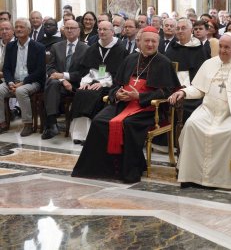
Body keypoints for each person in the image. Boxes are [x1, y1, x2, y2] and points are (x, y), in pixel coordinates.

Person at [72, 26, 180, 183]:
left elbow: (169, 91)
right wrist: (117, 94)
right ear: (140, 42)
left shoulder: (164, 62)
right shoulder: (130, 59)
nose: (150, 44)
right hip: (123, 104)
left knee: (128, 124)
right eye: (147, 41)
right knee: (99, 121)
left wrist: (140, 96)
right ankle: (103, 169)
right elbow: (116, 84)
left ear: (158, 43)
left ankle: (129, 170)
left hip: (147, 108)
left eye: (154, 41)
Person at [168, 32, 231, 189]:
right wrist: (184, 92)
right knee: (191, 125)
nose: (222, 50)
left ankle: (226, 181)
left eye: (227, 47)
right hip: (208, 110)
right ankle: (191, 176)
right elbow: (199, 89)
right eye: (220, 47)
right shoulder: (209, 63)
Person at [69, 21, 128, 144]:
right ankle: (79, 134)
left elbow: (120, 74)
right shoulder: (93, 48)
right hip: (92, 80)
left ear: (112, 32)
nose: (101, 32)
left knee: (94, 93)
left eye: (105, 29)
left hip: (110, 84)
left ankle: (91, 135)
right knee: (81, 92)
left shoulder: (121, 49)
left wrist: (103, 83)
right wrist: (85, 81)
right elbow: (85, 69)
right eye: (100, 29)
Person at [41, 20, 89, 139]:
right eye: (67, 28)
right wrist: (63, 80)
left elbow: (84, 73)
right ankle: (52, 123)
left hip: (76, 85)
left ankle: (51, 123)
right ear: (63, 30)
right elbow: (50, 68)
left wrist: (64, 76)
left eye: (72, 28)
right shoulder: (56, 47)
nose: (69, 30)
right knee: (52, 83)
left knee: (51, 84)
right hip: (58, 83)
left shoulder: (86, 49)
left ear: (79, 30)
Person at [0, 18, 46, 136]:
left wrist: (23, 82)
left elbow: (40, 71)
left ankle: (28, 124)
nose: (18, 29)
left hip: (32, 81)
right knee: (0, 89)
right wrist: (10, 82)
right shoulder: (10, 46)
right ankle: (2, 122)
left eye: (21, 27)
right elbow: (6, 68)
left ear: (29, 30)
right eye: (16, 27)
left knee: (20, 91)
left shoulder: (38, 47)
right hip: (13, 81)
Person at [165, 18, 209, 120]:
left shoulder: (199, 49)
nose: (180, 31)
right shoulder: (172, 48)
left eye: (183, 28)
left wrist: (185, 89)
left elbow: (202, 76)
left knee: (185, 108)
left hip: (192, 91)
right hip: (171, 89)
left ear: (191, 30)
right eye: (178, 28)